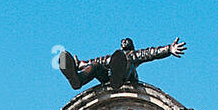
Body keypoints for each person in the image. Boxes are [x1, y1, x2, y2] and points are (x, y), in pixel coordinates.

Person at [58, 37, 188, 91]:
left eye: (127, 41)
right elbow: (98, 61)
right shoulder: (115, 57)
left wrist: (168, 49)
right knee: (97, 66)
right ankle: (77, 79)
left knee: (126, 64)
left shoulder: (135, 55)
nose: (124, 42)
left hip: (128, 77)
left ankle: (118, 77)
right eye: (123, 41)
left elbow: (151, 53)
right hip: (111, 75)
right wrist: (81, 64)